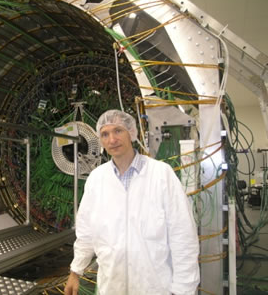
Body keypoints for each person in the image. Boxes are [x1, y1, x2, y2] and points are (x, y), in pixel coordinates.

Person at [64, 110, 200, 295]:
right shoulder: (97, 179)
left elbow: (183, 236)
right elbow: (86, 231)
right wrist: (75, 271)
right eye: (105, 134)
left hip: (154, 287)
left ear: (132, 133)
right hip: (111, 286)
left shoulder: (161, 174)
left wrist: (184, 289)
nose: (112, 139)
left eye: (118, 131)